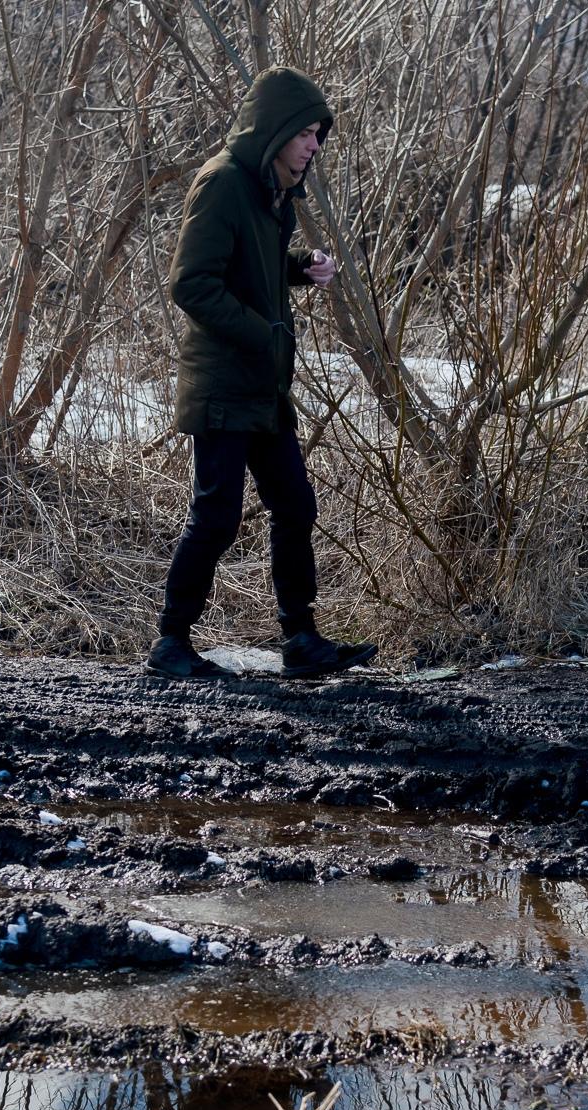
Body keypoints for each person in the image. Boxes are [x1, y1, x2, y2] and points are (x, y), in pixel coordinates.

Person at [147, 66, 377, 681]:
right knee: (217, 515)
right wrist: (263, 332)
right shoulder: (223, 183)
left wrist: (299, 267)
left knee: (296, 504)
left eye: (318, 135)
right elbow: (191, 284)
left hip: (264, 385)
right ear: (275, 131)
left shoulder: (273, 193)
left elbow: (249, 270)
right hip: (224, 383)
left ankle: (301, 640)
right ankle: (171, 643)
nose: (313, 145)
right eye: (304, 132)